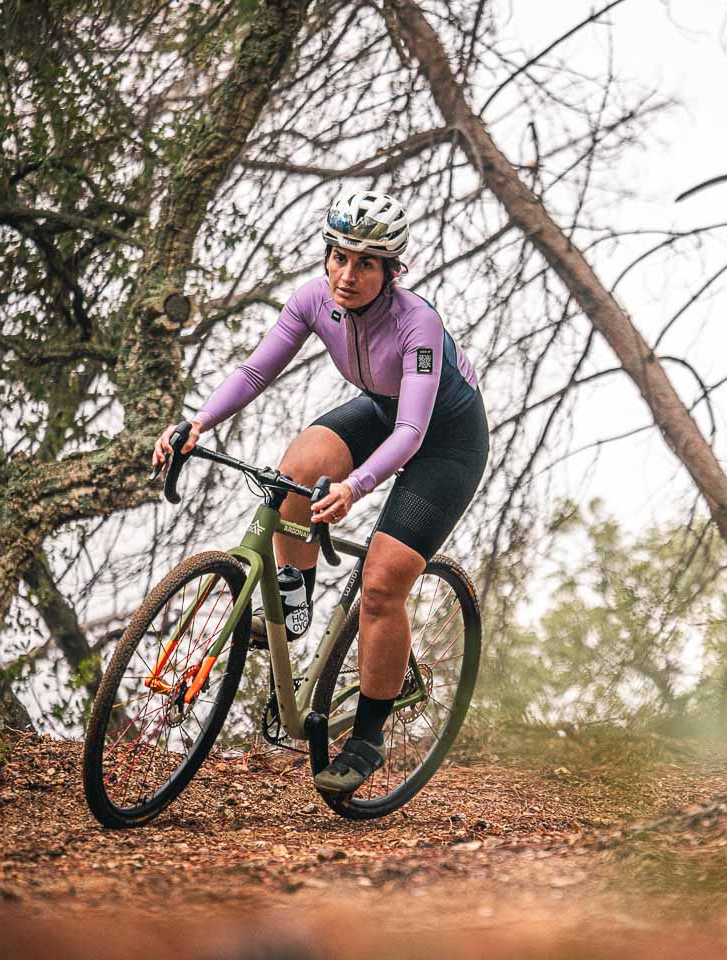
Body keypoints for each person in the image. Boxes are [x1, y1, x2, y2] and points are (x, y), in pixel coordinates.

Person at [152, 191, 489, 794]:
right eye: (338, 257)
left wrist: (357, 488)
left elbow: (413, 431)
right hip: (384, 413)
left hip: (446, 443)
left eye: (365, 263)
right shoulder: (314, 299)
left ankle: (366, 738)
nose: (347, 274)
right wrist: (197, 422)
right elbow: (256, 372)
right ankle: (295, 593)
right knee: (298, 465)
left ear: (391, 272)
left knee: (383, 584)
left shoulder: (418, 324)